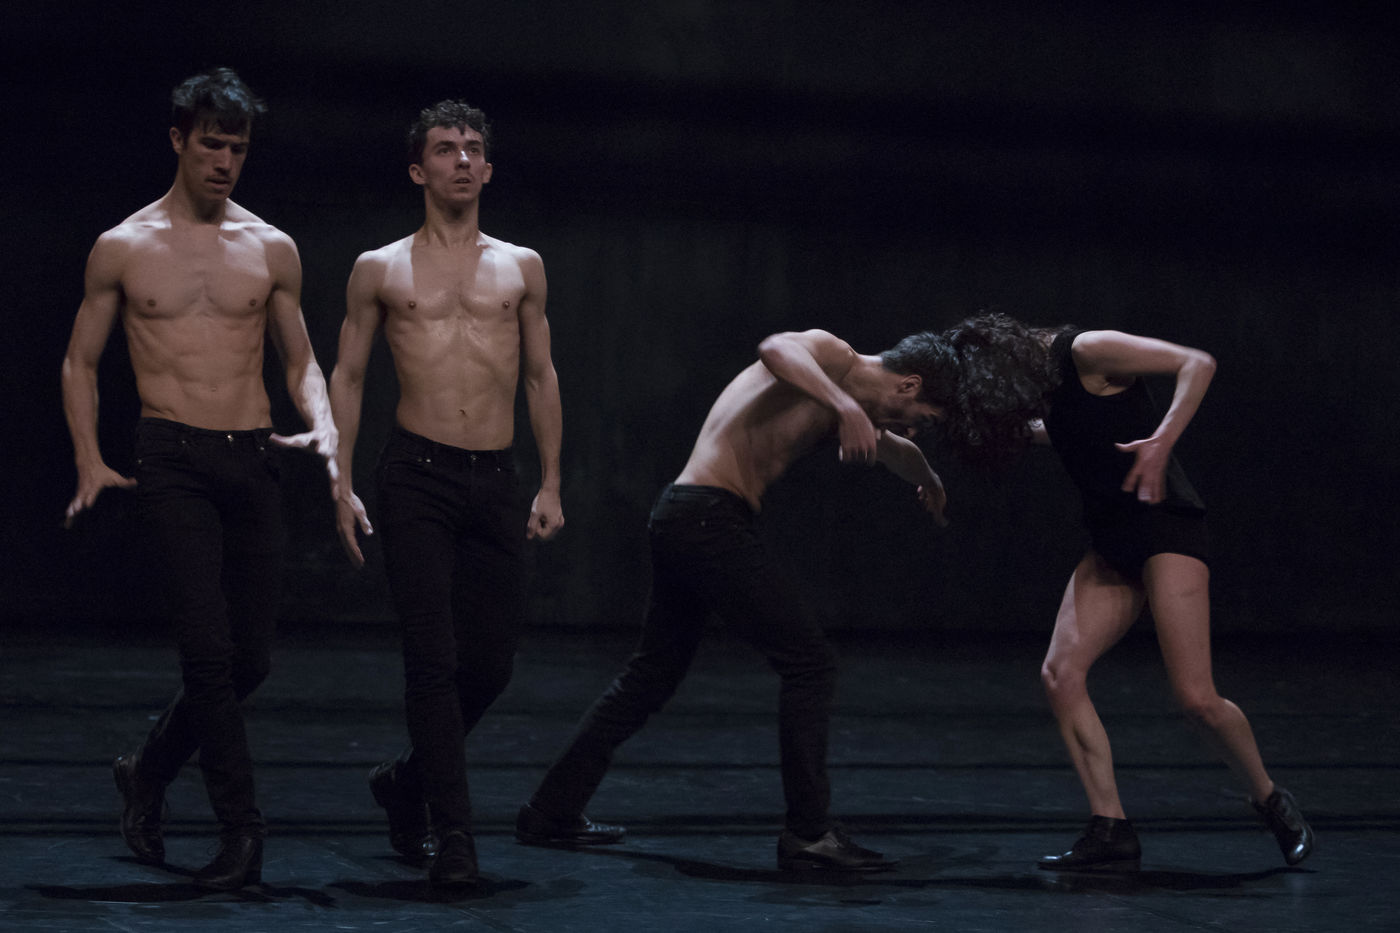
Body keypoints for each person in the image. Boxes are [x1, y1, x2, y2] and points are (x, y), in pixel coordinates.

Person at [516, 327, 952, 871]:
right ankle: (809, 834)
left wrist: (929, 477)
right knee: (810, 664)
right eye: (921, 417)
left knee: (649, 677)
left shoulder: (845, 404)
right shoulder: (832, 357)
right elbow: (775, 348)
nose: (911, 427)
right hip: (707, 517)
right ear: (909, 385)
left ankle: (550, 811)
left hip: (686, 515)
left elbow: (894, 450)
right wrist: (844, 406)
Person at [60, 68, 340, 891]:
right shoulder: (125, 245)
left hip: (251, 454)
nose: (225, 161)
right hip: (171, 455)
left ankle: (147, 770)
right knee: (208, 656)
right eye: (212, 144)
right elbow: (80, 362)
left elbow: (300, 358)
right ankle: (242, 831)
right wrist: (87, 455)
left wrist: (323, 418)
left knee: (248, 660)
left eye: (238, 148)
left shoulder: (270, 247)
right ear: (178, 139)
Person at [938, 312, 1314, 871]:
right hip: (1112, 539)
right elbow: (1064, 429)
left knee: (1196, 699)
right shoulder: (1046, 390)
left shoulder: (1088, 351)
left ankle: (1269, 798)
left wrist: (1163, 440)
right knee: (1060, 675)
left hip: (1165, 528)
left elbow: (1197, 363)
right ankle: (1110, 827)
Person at [328, 100, 564, 888]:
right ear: (417, 169)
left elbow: (541, 375)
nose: (460, 159)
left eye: (472, 149)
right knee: (431, 661)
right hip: (415, 477)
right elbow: (348, 375)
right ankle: (454, 838)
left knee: (488, 666)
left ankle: (405, 781)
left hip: (495, 478)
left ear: (488, 169)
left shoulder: (521, 266)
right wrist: (339, 480)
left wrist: (552, 481)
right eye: (444, 148)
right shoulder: (380, 267)